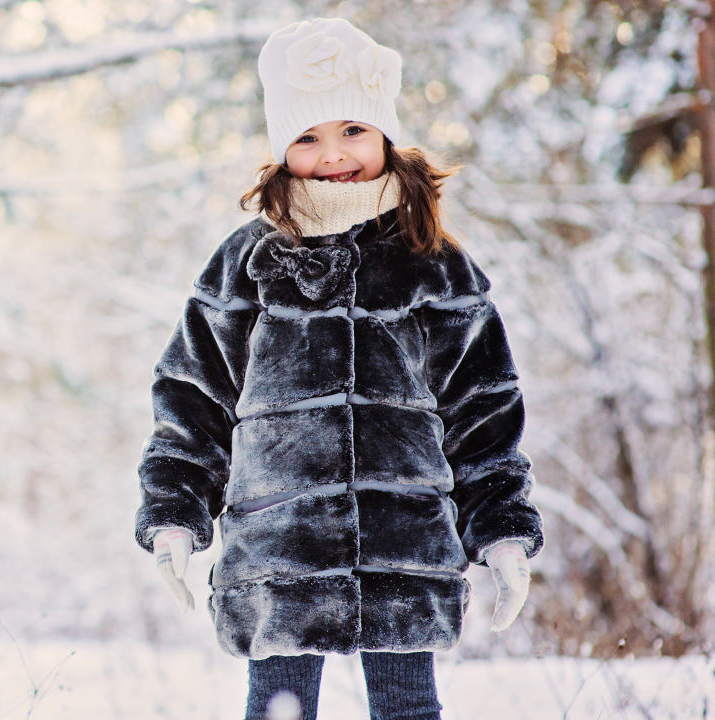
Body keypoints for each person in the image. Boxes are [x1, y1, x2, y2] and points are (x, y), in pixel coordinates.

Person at [133, 18, 544, 720]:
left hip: (403, 539)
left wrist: (501, 528)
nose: (333, 155)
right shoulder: (248, 262)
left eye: (352, 129)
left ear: (385, 130)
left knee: (409, 710)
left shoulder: (433, 261)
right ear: (280, 148)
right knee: (280, 710)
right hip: (280, 542)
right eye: (307, 137)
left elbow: (483, 407)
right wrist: (176, 513)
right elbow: (193, 396)